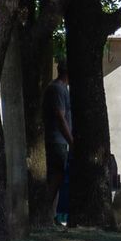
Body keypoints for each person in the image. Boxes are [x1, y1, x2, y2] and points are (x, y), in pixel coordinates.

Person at [43, 64, 72, 227]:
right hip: (57, 140)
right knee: (57, 176)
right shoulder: (57, 90)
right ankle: (46, 213)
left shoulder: (62, 89)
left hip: (60, 140)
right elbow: (60, 118)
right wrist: (71, 140)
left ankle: (51, 214)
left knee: (59, 176)